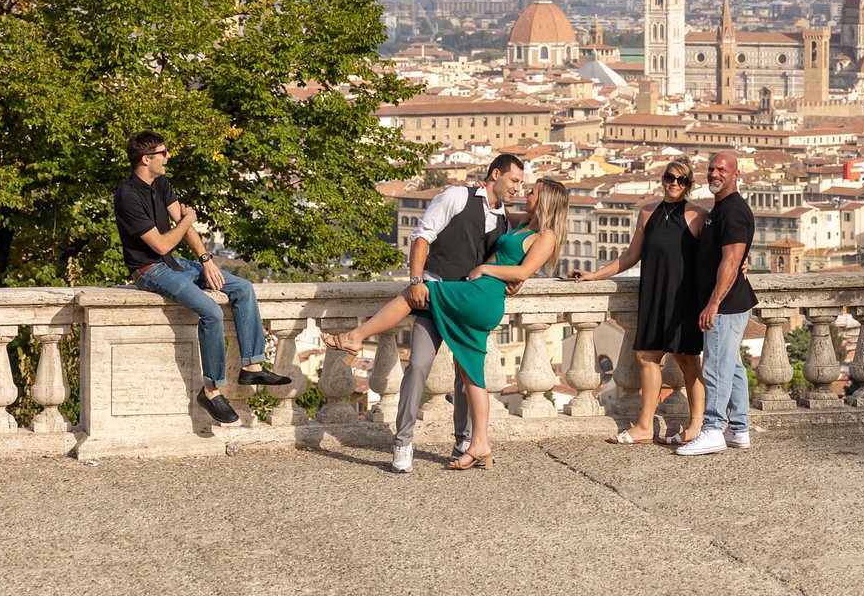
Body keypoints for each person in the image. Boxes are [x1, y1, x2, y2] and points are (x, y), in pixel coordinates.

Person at [325, 176, 568, 471]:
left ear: (546, 200)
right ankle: (480, 444)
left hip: (479, 295)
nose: (526, 192)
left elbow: (524, 271)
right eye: (521, 184)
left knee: (415, 293)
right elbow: (493, 207)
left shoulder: (546, 235)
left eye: (533, 191)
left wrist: (485, 268)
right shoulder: (521, 222)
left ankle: (356, 336)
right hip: (480, 298)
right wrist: (478, 190)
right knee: (471, 377)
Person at [113, 130, 290, 425]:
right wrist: (186, 220)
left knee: (242, 288)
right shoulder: (128, 196)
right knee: (210, 312)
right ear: (147, 159)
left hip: (174, 264)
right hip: (149, 271)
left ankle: (252, 366)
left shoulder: (160, 182)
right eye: (163, 152)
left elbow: (184, 226)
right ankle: (210, 392)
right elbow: (162, 244)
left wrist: (206, 260)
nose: (168, 157)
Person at [572, 157, 707, 445]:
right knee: (647, 358)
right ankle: (645, 426)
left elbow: (717, 254)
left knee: (688, 361)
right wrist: (594, 275)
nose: (674, 183)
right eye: (670, 177)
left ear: (689, 185)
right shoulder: (647, 213)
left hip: (684, 298)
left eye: (681, 180)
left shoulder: (699, 215)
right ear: (662, 179)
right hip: (654, 294)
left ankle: (697, 425)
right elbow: (631, 256)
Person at [675, 150, 757, 457]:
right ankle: (738, 429)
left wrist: (712, 304)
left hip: (726, 304)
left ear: (736, 175)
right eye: (711, 169)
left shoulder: (733, 210)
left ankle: (712, 429)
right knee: (731, 366)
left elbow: (732, 260)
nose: (715, 173)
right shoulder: (721, 209)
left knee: (716, 369)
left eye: (722, 169)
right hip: (730, 301)